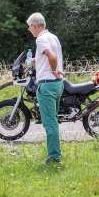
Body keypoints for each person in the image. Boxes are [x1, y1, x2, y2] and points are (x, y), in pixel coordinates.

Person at [27, 12, 64, 164]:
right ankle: (55, 153)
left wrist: (54, 70)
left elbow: (53, 58)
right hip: (58, 84)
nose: (30, 30)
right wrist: (37, 60)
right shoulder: (52, 37)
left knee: (50, 123)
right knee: (53, 120)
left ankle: (54, 157)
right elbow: (51, 56)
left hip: (47, 85)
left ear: (34, 26)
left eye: (30, 27)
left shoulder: (41, 39)